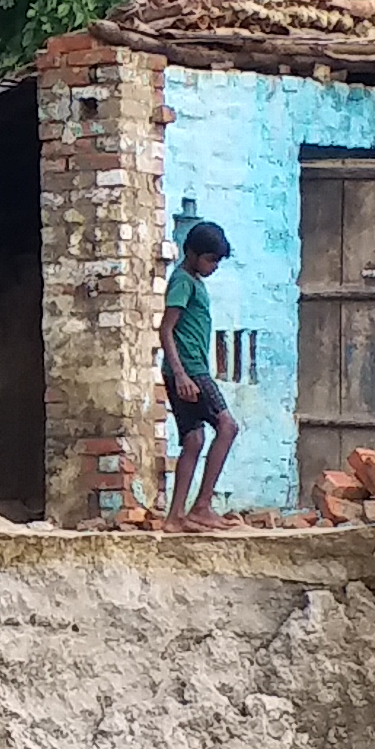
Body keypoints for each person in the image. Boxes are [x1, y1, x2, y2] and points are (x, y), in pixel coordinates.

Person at [161, 220, 237, 528]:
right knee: (227, 426)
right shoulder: (183, 282)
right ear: (192, 253)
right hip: (190, 370)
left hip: (186, 371)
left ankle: (175, 516)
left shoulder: (192, 281)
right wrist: (181, 374)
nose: (214, 266)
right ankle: (202, 505)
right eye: (210, 259)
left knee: (193, 439)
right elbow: (166, 330)